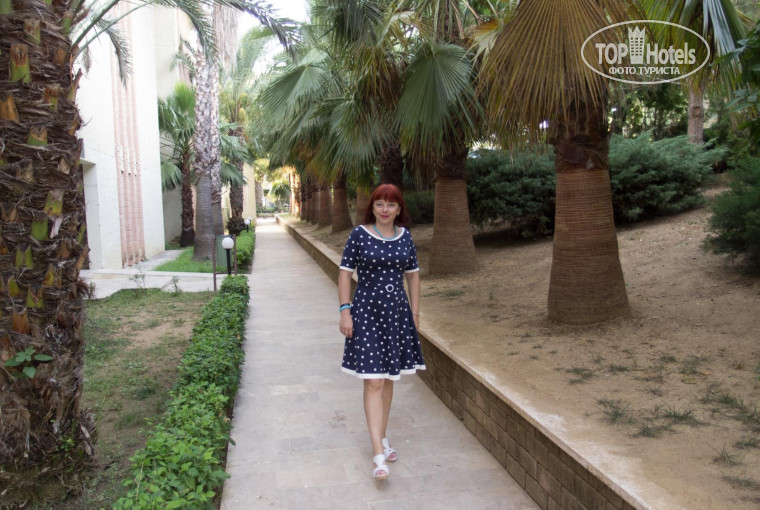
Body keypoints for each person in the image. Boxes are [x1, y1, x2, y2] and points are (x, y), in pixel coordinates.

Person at [338, 183, 425, 480]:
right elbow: (345, 274)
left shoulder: (405, 237)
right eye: (379, 204)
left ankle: (382, 436)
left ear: (399, 209)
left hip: (396, 314)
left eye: (391, 205)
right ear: (372, 208)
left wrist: (414, 314)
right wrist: (345, 311)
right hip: (366, 314)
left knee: (388, 379)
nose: (385, 209)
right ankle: (378, 455)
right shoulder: (359, 235)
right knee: (373, 381)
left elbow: (413, 276)